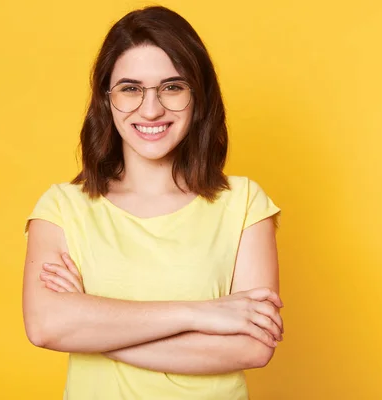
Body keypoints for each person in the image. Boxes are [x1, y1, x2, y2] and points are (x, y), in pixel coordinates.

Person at [22, 5, 284, 400]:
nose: (151, 109)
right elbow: (44, 326)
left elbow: (253, 346)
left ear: (198, 96)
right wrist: (200, 314)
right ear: (106, 100)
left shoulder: (245, 203)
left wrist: (94, 329)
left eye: (172, 87)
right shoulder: (62, 208)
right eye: (130, 88)